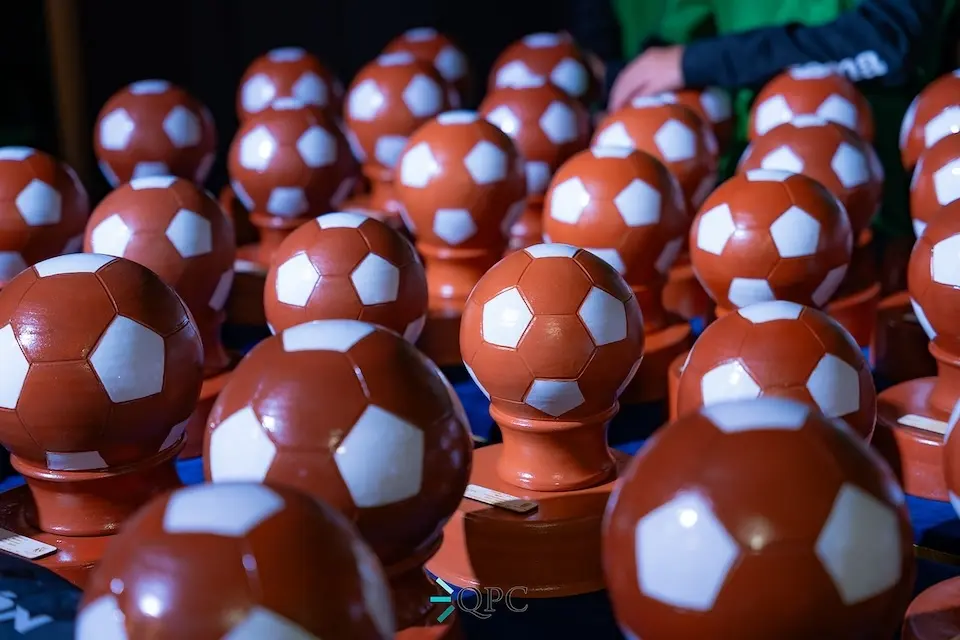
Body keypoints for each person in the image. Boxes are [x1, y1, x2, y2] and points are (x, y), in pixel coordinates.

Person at [567, 0, 955, 278]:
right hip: (734, 202)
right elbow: (674, 34)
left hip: (888, 216)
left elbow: (889, 40)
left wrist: (697, 61)